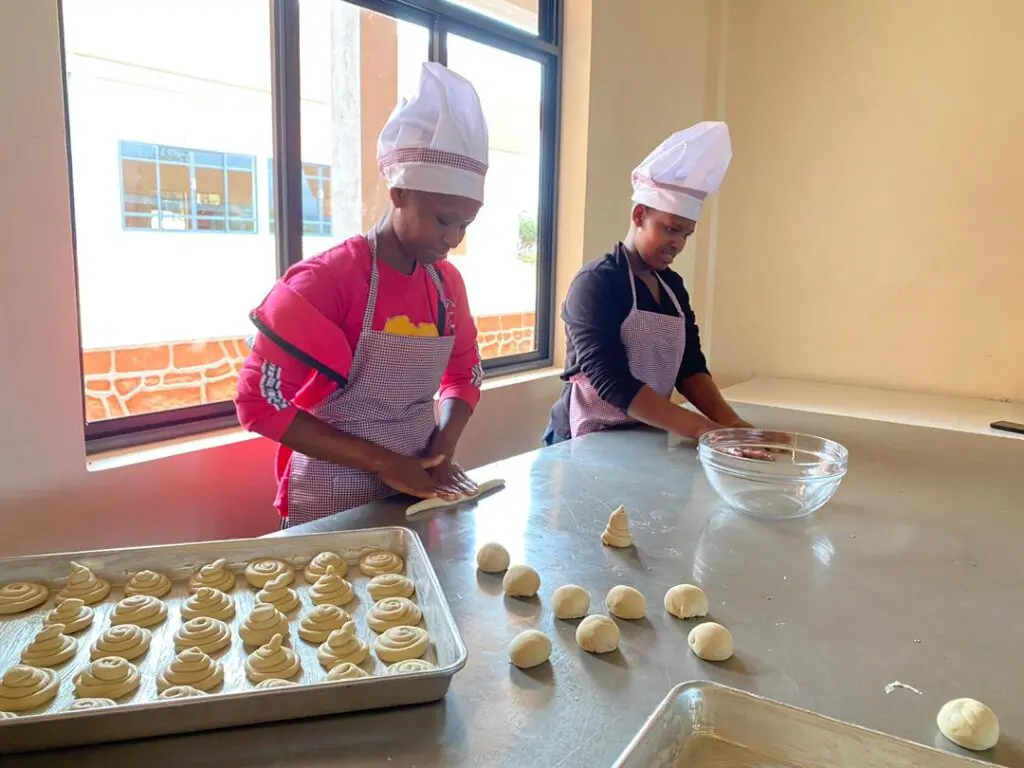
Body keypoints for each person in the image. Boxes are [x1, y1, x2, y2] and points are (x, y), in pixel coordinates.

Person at [236, 63, 488, 528]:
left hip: (414, 496)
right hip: (329, 502)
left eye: (465, 225)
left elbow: (465, 371)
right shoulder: (327, 281)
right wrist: (384, 461)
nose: (454, 238)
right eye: (444, 219)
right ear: (398, 193)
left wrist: (442, 446)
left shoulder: (446, 286)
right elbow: (259, 400)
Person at [544, 122, 750, 445]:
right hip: (585, 442)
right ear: (639, 215)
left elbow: (690, 366)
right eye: (670, 229)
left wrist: (733, 424)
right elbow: (611, 381)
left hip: (644, 437)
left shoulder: (672, 288)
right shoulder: (596, 283)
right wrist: (701, 429)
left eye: (686, 234)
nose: (678, 244)